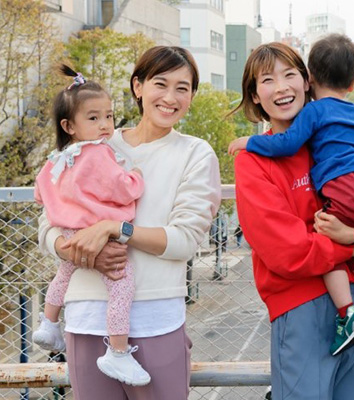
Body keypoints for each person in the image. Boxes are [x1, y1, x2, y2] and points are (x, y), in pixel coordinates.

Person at [38, 46, 221, 400]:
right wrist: (78, 251)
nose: (170, 97)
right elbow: (48, 226)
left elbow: (184, 239)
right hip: (86, 317)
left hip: (157, 319)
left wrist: (114, 229)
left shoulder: (195, 153)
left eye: (182, 88)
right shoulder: (91, 142)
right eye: (160, 84)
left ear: (192, 96)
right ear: (138, 87)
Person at [231, 41, 354, 399]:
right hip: (299, 304)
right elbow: (286, 250)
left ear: (308, 81)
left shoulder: (336, 137)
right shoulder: (252, 160)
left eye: (290, 75)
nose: (281, 87)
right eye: (267, 80)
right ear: (254, 96)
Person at [33, 65, 149, 385]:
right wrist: (136, 176)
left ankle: (48, 323)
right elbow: (121, 187)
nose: (105, 125)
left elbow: (40, 191)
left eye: (109, 117)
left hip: (69, 232)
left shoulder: (59, 157)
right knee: (122, 284)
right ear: (69, 125)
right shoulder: (98, 154)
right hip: (100, 234)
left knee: (63, 274)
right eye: (94, 118)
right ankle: (118, 350)